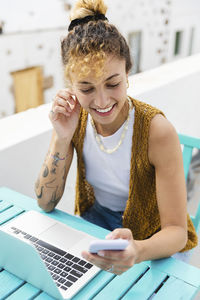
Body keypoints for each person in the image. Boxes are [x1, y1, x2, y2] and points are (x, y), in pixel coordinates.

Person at [35, 0, 198, 275]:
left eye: (113, 84)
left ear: (128, 72)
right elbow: (45, 202)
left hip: (154, 236)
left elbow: (177, 233)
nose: (101, 102)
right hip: (98, 222)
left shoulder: (156, 130)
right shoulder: (74, 119)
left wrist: (138, 250)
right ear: (71, 85)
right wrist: (62, 137)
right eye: (86, 88)